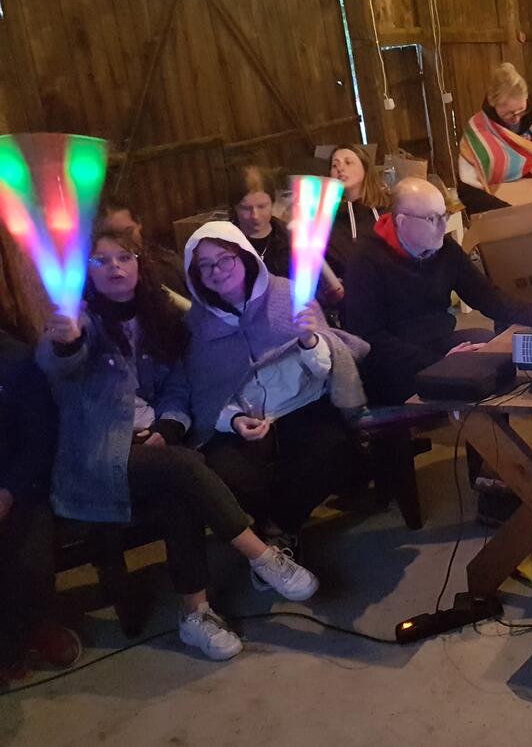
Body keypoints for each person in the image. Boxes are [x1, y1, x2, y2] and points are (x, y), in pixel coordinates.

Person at [39, 228, 319, 662]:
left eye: (124, 257)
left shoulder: (157, 318)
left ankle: (195, 615)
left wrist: (168, 428)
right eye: (100, 261)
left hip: (154, 450)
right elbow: (56, 364)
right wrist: (67, 343)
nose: (114, 267)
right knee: (185, 466)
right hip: (96, 458)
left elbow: (176, 387)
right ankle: (262, 555)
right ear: (85, 273)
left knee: (179, 485)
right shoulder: (79, 321)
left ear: (140, 265)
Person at [182, 221, 369, 551]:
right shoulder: (196, 325)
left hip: (301, 403)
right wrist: (234, 420)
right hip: (243, 420)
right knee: (227, 475)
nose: (217, 270)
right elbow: (204, 391)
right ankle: (278, 529)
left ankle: (276, 528)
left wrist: (310, 340)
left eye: (224, 259)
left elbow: (325, 369)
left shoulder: (287, 294)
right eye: (205, 265)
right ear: (195, 274)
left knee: (334, 449)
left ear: (244, 256)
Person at [342, 177, 532, 405]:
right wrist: (439, 362)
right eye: (432, 219)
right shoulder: (366, 260)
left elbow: (485, 295)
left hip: (438, 344)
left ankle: (485, 429)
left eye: (444, 216)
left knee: (494, 350)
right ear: (403, 221)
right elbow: (369, 340)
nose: (443, 226)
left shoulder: (444, 248)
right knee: (480, 371)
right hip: (394, 364)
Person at [0, 230, 81, 683]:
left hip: (18, 486)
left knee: (29, 561)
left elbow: (39, 437)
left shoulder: (14, 359)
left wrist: (9, 490)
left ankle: (33, 627)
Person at [457, 63, 532, 215]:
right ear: (492, 103)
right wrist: (509, 211)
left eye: (521, 110)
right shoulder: (477, 130)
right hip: (497, 209)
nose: (517, 118)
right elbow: (467, 189)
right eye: (509, 114)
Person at [98, 197, 189, 299]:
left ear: (139, 223)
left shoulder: (167, 263)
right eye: (111, 236)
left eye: (127, 232)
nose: (121, 241)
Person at [327, 144, 390, 283]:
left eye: (348, 162)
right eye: (334, 165)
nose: (340, 169)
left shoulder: (390, 207)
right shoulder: (330, 219)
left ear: (365, 167)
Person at [228, 165, 290, 278]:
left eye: (262, 206)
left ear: (272, 203)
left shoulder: (290, 238)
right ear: (234, 207)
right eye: (246, 208)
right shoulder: (224, 242)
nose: (255, 216)